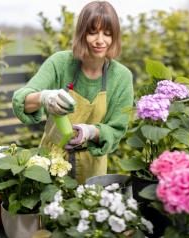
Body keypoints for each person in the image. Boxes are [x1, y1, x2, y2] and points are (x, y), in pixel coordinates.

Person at [12, 1, 134, 184]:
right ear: (82, 33)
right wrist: (44, 97)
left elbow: (118, 128)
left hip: (92, 168)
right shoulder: (60, 63)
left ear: (114, 37)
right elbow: (22, 99)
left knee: (86, 210)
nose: (100, 40)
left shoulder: (121, 77)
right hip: (49, 163)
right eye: (93, 32)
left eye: (107, 34)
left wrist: (91, 131)